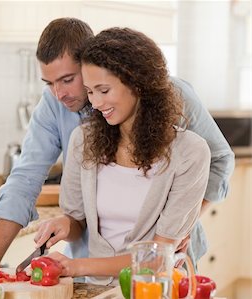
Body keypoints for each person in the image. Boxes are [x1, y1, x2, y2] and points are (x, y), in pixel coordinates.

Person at [0, 18, 234, 280]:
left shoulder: (170, 95)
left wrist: (181, 225)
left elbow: (217, 161)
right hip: (93, 266)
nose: (59, 94)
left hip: (160, 267)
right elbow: (25, 178)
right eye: (49, 83)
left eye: (67, 80)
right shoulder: (66, 119)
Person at [34, 27, 210, 284]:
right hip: (99, 290)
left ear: (137, 83)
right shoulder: (83, 141)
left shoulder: (189, 152)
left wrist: (76, 266)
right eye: (90, 91)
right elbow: (77, 222)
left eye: (104, 91)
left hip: (152, 290)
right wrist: (64, 223)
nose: (94, 103)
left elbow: (159, 256)